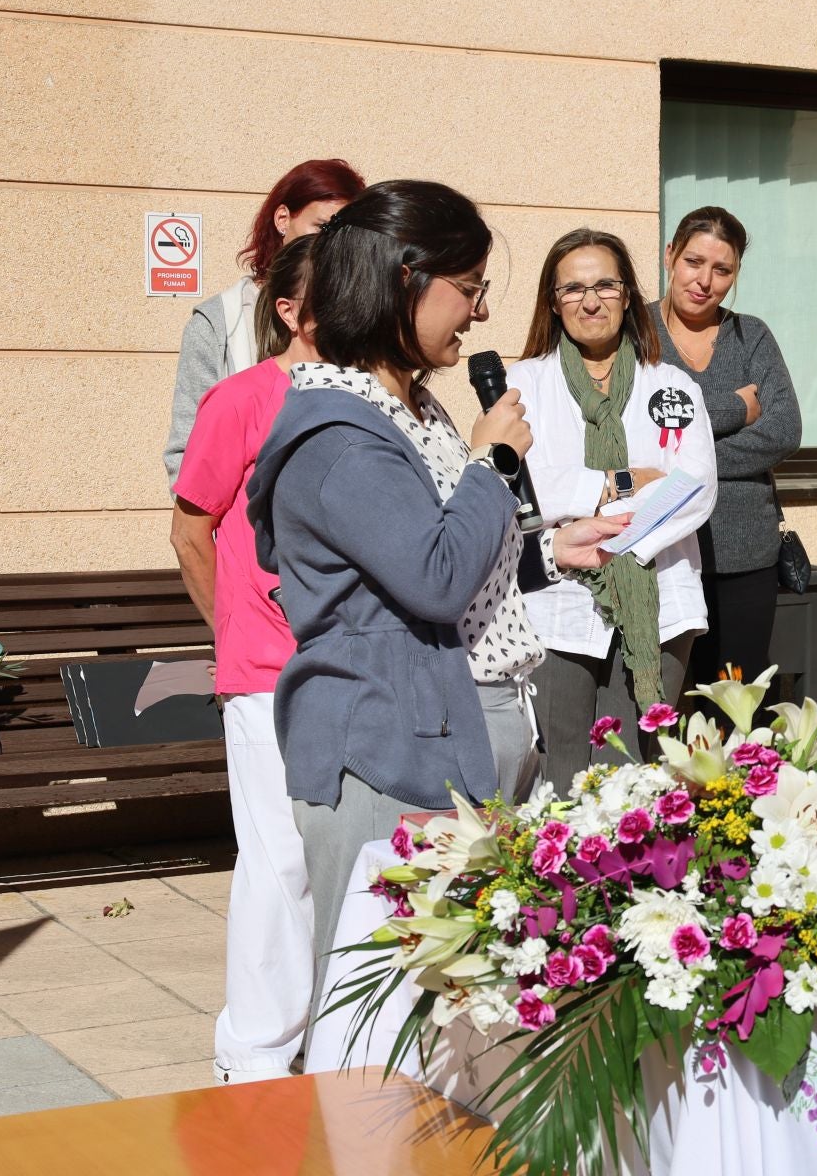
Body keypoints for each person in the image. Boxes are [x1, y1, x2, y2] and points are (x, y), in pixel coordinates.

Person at [246, 180, 626, 1014]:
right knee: (378, 1016)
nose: (481, 312)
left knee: (451, 1013)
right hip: (388, 746)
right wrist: (491, 463)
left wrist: (552, 553)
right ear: (404, 280)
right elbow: (433, 575)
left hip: (451, 724)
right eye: (469, 288)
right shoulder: (340, 436)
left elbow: (458, 559)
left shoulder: (411, 409)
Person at [170, 235, 319, 1085]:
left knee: (338, 859)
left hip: (352, 667)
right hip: (264, 669)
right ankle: (254, 1058)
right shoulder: (241, 399)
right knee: (277, 861)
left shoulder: (377, 396)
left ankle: (330, 1040)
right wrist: (234, 633)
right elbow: (191, 529)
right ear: (292, 311)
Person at [509, 230, 717, 784]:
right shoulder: (524, 383)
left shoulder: (670, 385)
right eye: (573, 288)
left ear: (628, 295)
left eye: (605, 284)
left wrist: (614, 534)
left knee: (636, 773)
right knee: (561, 769)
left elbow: (694, 484)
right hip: (558, 600)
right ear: (553, 302)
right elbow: (522, 486)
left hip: (659, 600)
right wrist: (619, 481)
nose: (591, 300)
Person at [649, 207, 801, 687]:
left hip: (745, 551)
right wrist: (736, 409)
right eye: (694, 262)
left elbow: (784, 429)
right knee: (659, 702)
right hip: (659, 549)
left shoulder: (750, 334)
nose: (705, 281)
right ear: (670, 255)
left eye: (723, 270)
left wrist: (682, 453)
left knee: (738, 702)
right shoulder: (636, 335)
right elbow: (641, 433)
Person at [164, 159, 366, 484]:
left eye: (347, 234)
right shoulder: (221, 321)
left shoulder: (360, 315)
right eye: (324, 227)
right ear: (283, 219)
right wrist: (227, 531)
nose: (335, 245)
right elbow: (186, 450)